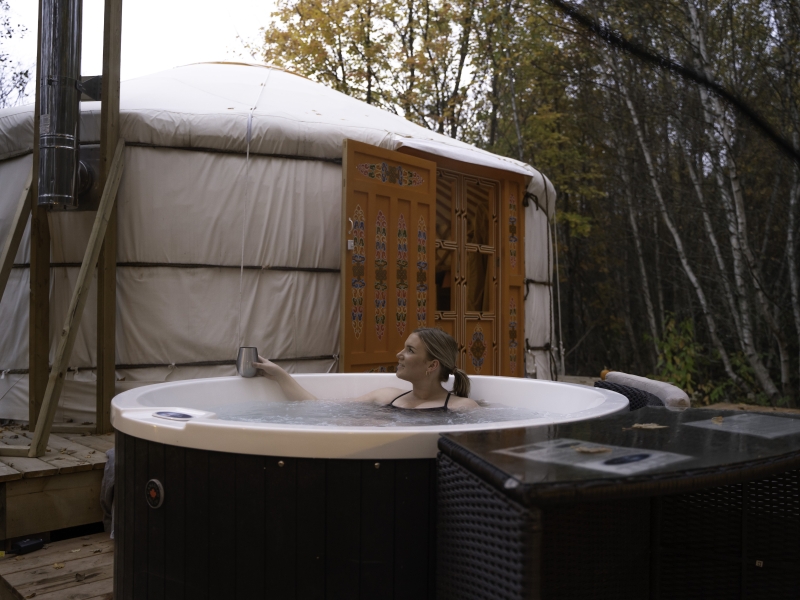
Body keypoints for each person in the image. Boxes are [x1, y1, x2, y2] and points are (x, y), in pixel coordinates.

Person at [253, 328, 478, 410]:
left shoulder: (462, 408)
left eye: (409, 350)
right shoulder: (386, 396)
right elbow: (319, 409)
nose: (398, 355)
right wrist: (281, 376)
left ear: (432, 365)